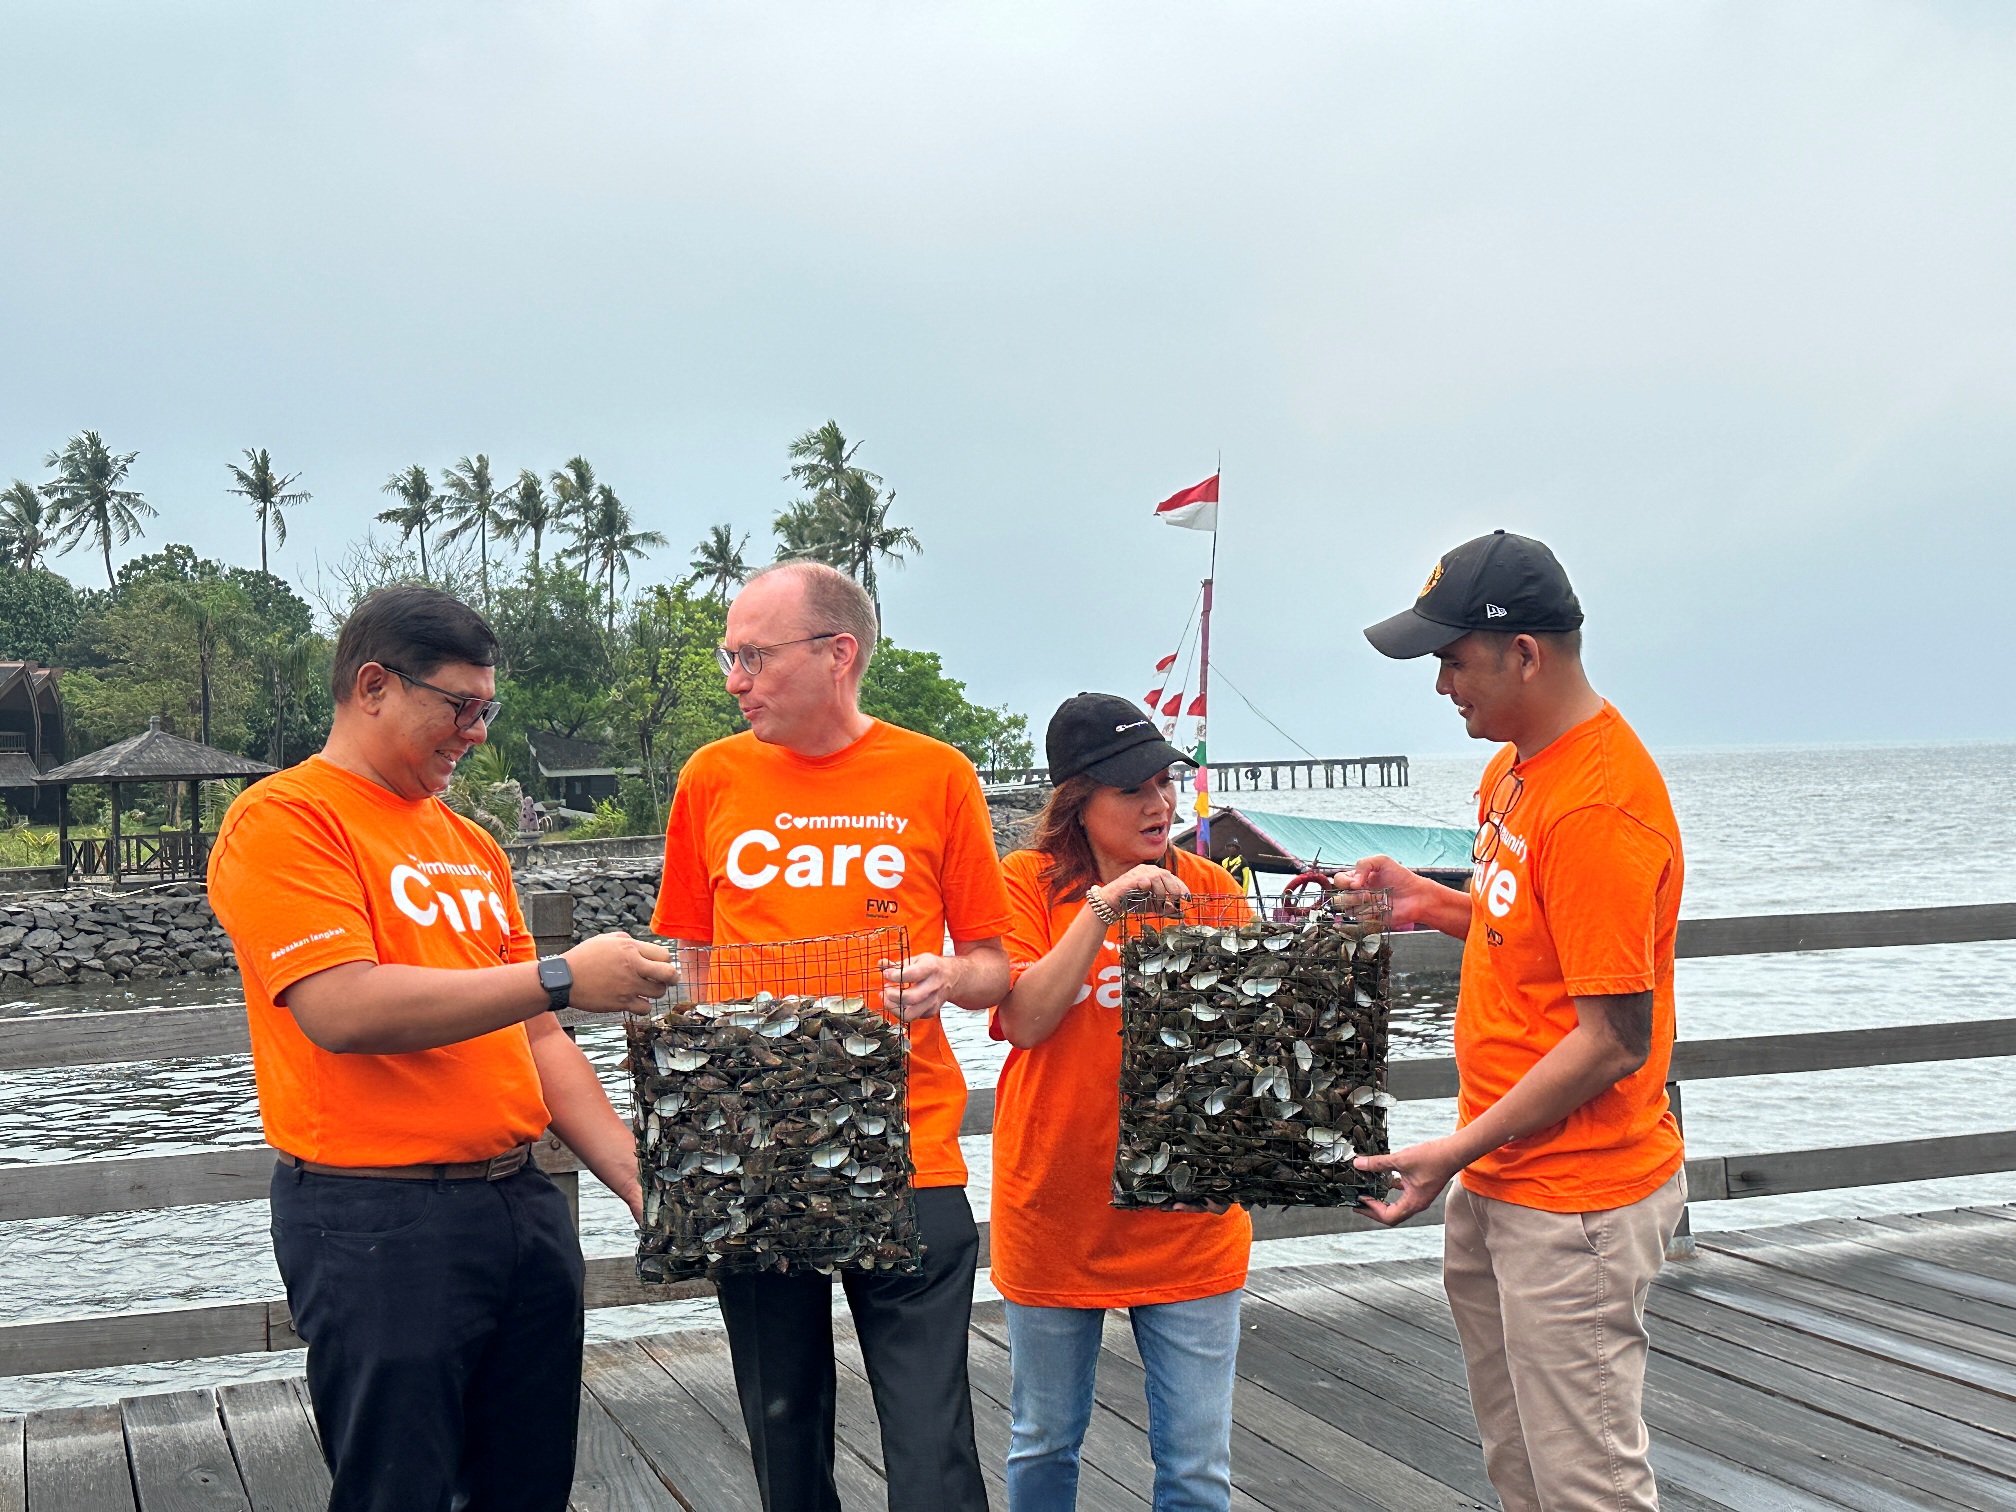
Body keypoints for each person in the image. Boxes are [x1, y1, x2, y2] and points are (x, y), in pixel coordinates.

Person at [207, 585, 677, 1512]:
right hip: (375, 1219)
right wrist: (559, 975)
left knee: (528, 1483)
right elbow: (341, 1009)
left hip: (520, 1207)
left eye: (486, 709)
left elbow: (538, 1036)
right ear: (374, 685)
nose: (477, 732)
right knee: (400, 1489)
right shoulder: (286, 820)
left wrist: (642, 1184)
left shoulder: (470, 843)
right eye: (460, 708)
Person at [651, 560, 1012, 1512]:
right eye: (732, 656)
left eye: (753, 656)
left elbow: (993, 960)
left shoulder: (937, 773)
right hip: (754, 1159)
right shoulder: (711, 776)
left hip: (909, 1154)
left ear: (837, 654)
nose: (734, 679)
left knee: (932, 1446)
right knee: (783, 1430)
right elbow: (687, 958)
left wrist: (951, 977)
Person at [1346, 531, 1686, 1512]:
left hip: (1574, 1203)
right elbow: (1525, 927)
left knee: (1587, 1485)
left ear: (1525, 653)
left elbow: (1614, 1036)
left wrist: (1453, 1148)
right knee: (1521, 1471)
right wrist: (1427, 899)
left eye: (1452, 659)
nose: (1441, 683)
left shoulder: (1598, 805)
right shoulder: (1514, 774)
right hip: (1502, 1180)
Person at [991, 693, 1252, 1512]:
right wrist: (1105, 910)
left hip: (1190, 1226)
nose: (1159, 804)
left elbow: (1249, 1059)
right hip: (1055, 1213)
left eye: (1164, 781)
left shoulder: (1211, 890)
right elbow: (1027, 1018)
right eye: (1130, 788)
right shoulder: (1024, 884)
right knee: (1042, 1448)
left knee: (1197, 1474)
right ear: (1076, 802)